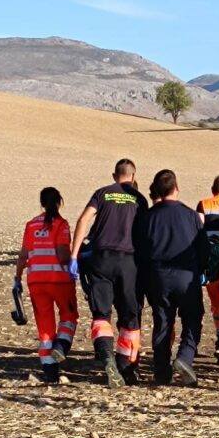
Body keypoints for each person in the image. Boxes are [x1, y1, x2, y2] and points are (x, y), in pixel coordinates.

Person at [69, 159, 148, 387]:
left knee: (101, 315)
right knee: (129, 316)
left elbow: (84, 219)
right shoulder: (139, 199)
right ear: (133, 176)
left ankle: (106, 356)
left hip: (100, 259)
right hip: (129, 262)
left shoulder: (102, 193)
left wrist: (74, 255)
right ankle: (125, 366)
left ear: (115, 175)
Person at [139, 169, 208, 386]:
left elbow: (139, 251)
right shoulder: (190, 215)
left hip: (157, 278)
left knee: (162, 322)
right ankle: (185, 357)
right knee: (193, 318)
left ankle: (161, 371)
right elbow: (203, 249)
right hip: (186, 277)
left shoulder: (147, 218)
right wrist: (203, 271)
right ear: (176, 188)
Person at [14, 187, 78, 384]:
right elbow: (61, 253)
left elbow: (24, 255)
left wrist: (17, 278)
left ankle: (50, 371)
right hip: (59, 280)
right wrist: (77, 259)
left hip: (36, 281)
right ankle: (61, 345)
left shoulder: (31, 225)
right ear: (59, 202)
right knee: (69, 316)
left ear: (41, 203)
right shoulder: (61, 225)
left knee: (45, 325)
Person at [196, 175, 219, 365]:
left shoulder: (203, 204)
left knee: (216, 303)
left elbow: (199, 229)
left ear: (212, 189)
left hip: (210, 260)